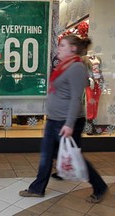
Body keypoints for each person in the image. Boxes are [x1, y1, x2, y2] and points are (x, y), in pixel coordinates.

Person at [19, 35, 108, 203]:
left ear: (73, 48)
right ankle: (37, 189)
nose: (58, 48)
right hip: (54, 119)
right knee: (46, 155)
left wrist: (69, 124)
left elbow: (76, 98)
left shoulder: (76, 68)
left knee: (75, 158)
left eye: (62, 45)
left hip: (67, 121)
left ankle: (100, 186)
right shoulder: (63, 66)